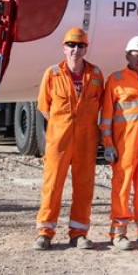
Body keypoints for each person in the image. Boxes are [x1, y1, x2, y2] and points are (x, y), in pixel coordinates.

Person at [33, 27, 104, 250]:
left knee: (84, 187)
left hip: (86, 141)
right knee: (52, 185)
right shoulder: (52, 74)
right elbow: (45, 108)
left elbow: (100, 105)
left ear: (86, 49)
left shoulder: (95, 75)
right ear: (64, 48)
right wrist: (62, 125)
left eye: (80, 45)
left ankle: (79, 233)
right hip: (59, 142)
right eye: (71, 45)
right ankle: (45, 232)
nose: (76, 49)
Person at [100, 36, 138, 250]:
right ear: (127, 55)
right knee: (121, 188)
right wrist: (108, 143)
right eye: (136, 54)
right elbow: (105, 117)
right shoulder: (116, 80)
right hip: (125, 146)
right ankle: (119, 232)